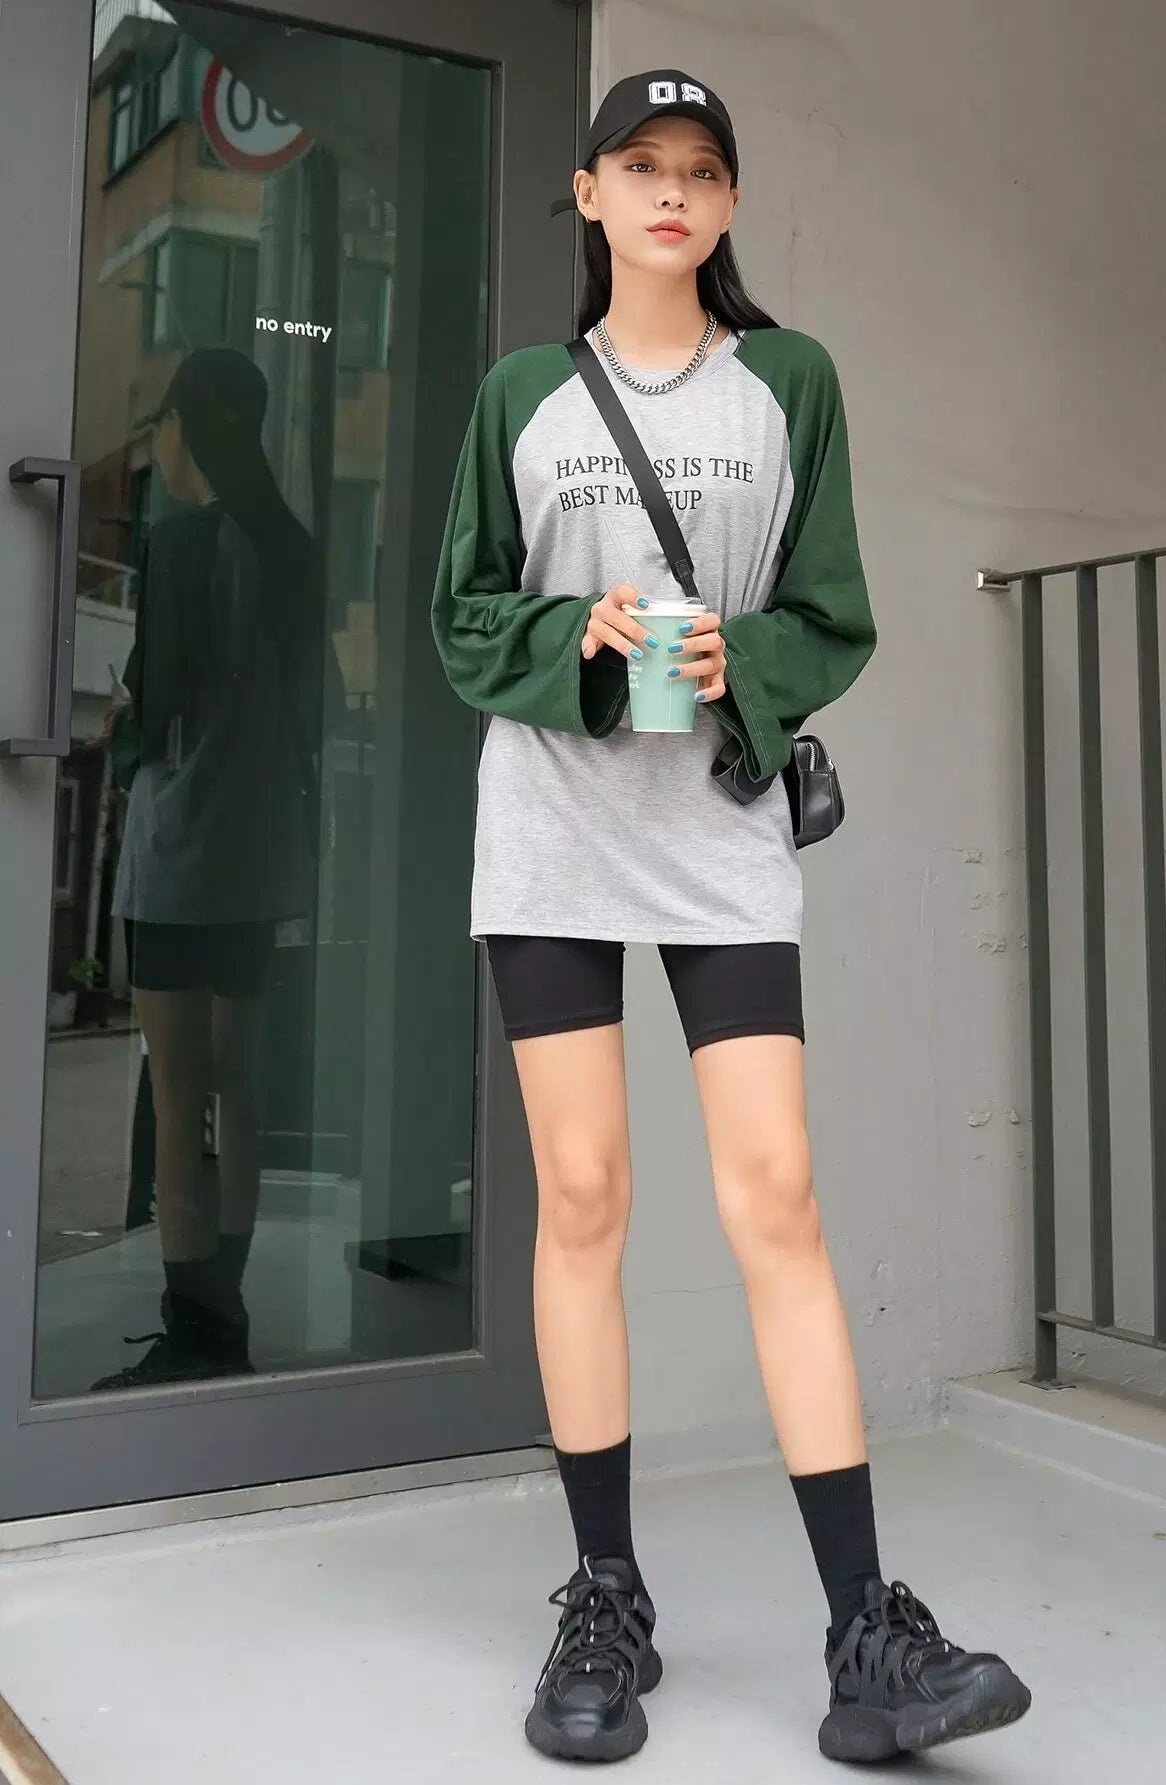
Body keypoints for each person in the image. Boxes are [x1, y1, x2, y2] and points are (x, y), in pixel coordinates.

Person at [433, 71, 1031, 1766]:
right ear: (590, 195)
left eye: (702, 170)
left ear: (730, 205)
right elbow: (461, 616)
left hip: (715, 832)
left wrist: (737, 653)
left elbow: (832, 612)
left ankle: (867, 1634)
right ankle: (605, 1597)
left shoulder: (790, 382)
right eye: (642, 165)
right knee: (582, 1195)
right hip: (551, 830)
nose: (672, 192)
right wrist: (573, 639)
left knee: (776, 1194)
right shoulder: (522, 393)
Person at [96, 348, 325, 1392]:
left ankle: (195, 1329)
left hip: (182, 850)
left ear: (188, 427)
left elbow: (157, 707)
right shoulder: (292, 547)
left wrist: (120, 729)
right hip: (258, 852)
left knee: (178, 1090)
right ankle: (228, 1310)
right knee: (239, 1086)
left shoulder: (182, 541)